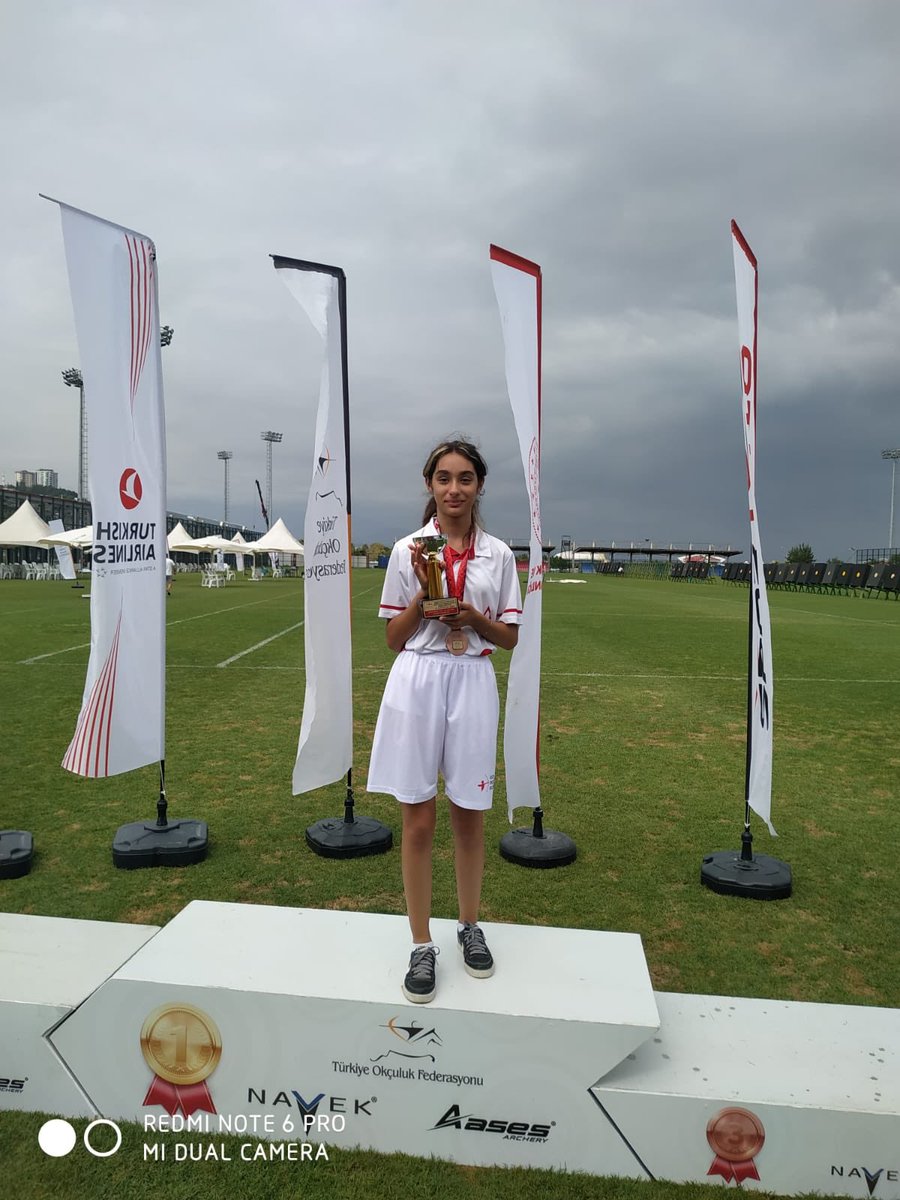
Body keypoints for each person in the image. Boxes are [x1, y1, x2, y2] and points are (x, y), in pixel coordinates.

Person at [367, 439, 522, 1003]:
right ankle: (420, 942)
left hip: (473, 677)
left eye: (464, 479)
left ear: (479, 485)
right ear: (429, 485)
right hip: (418, 678)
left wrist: (471, 615)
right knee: (418, 820)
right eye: (443, 478)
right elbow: (391, 638)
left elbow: (508, 637)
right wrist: (423, 600)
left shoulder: (499, 555)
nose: (453, 489)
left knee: (469, 814)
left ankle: (470, 925)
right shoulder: (410, 548)